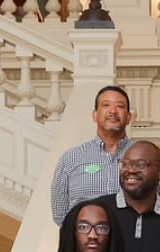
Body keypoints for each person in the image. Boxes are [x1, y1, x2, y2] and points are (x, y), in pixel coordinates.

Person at [51, 86, 133, 225]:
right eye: (106, 105)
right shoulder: (71, 158)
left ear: (129, 117)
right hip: (86, 243)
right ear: (95, 115)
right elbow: (60, 215)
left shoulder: (144, 157)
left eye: (120, 106)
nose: (112, 111)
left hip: (131, 243)